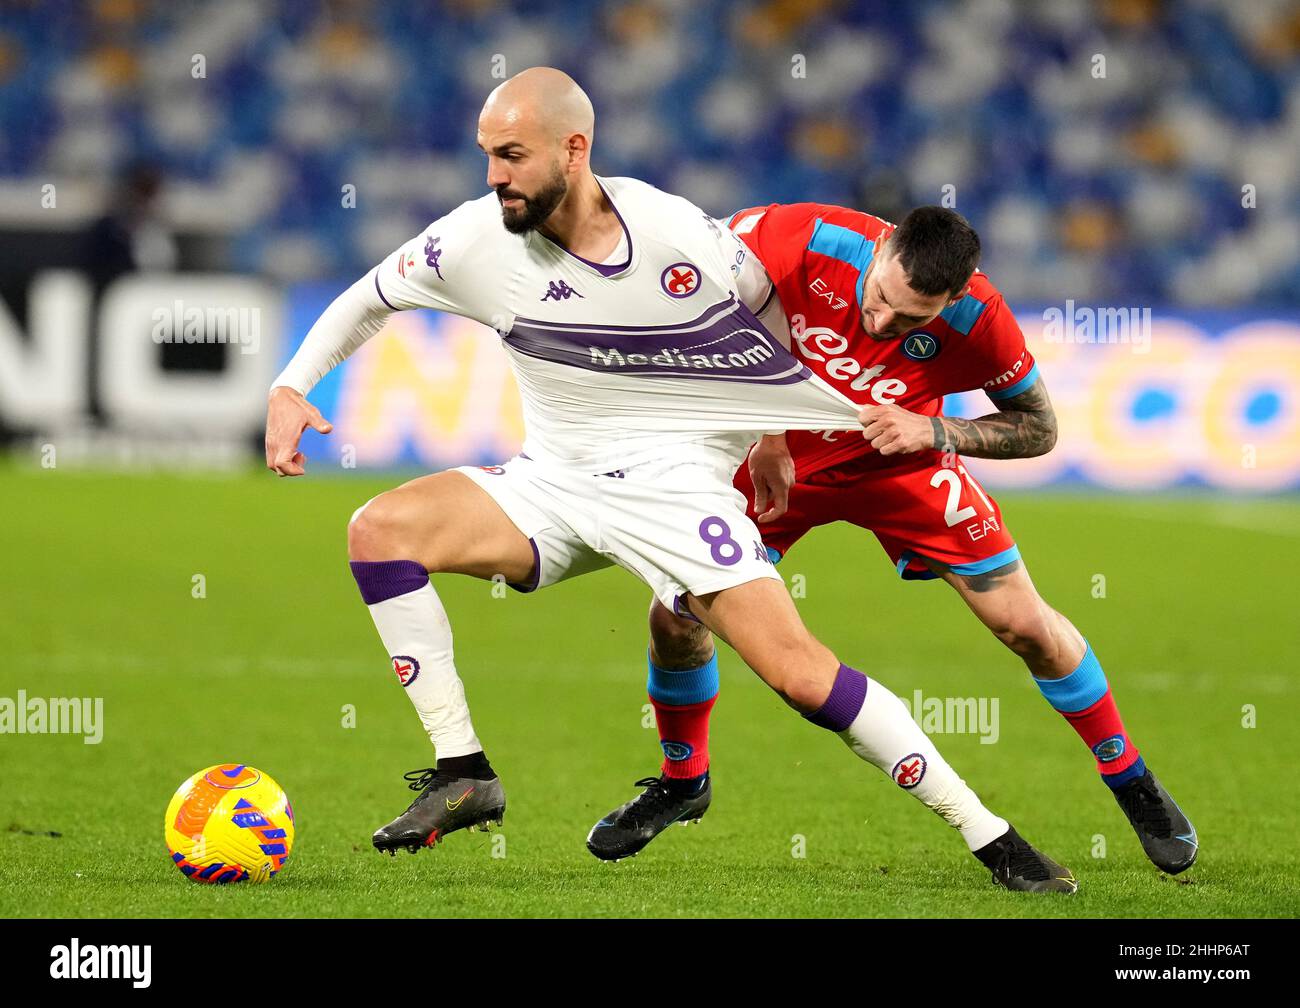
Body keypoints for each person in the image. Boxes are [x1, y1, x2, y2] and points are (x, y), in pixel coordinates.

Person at [266, 68, 1076, 892]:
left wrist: (763, 433)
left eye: (510, 156)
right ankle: (463, 771)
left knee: (799, 673)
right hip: (550, 482)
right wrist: (292, 387)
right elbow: (368, 297)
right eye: (487, 156)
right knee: (379, 532)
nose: (493, 176)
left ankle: (990, 835)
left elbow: (762, 311)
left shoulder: (673, 231)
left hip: (674, 487)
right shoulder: (474, 242)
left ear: (573, 149)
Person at [595, 200, 1196, 878]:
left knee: (1024, 623)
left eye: (912, 319)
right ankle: (684, 782)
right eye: (879, 299)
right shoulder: (796, 238)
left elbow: (1039, 429)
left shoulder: (981, 323)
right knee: (673, 617)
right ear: (880, 249)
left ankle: (1128, 776)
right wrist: (762, 431)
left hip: (901, 464)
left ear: (956, 296)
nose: (882, 323)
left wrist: (937, 432)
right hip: (778, 462)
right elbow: (710, 300)